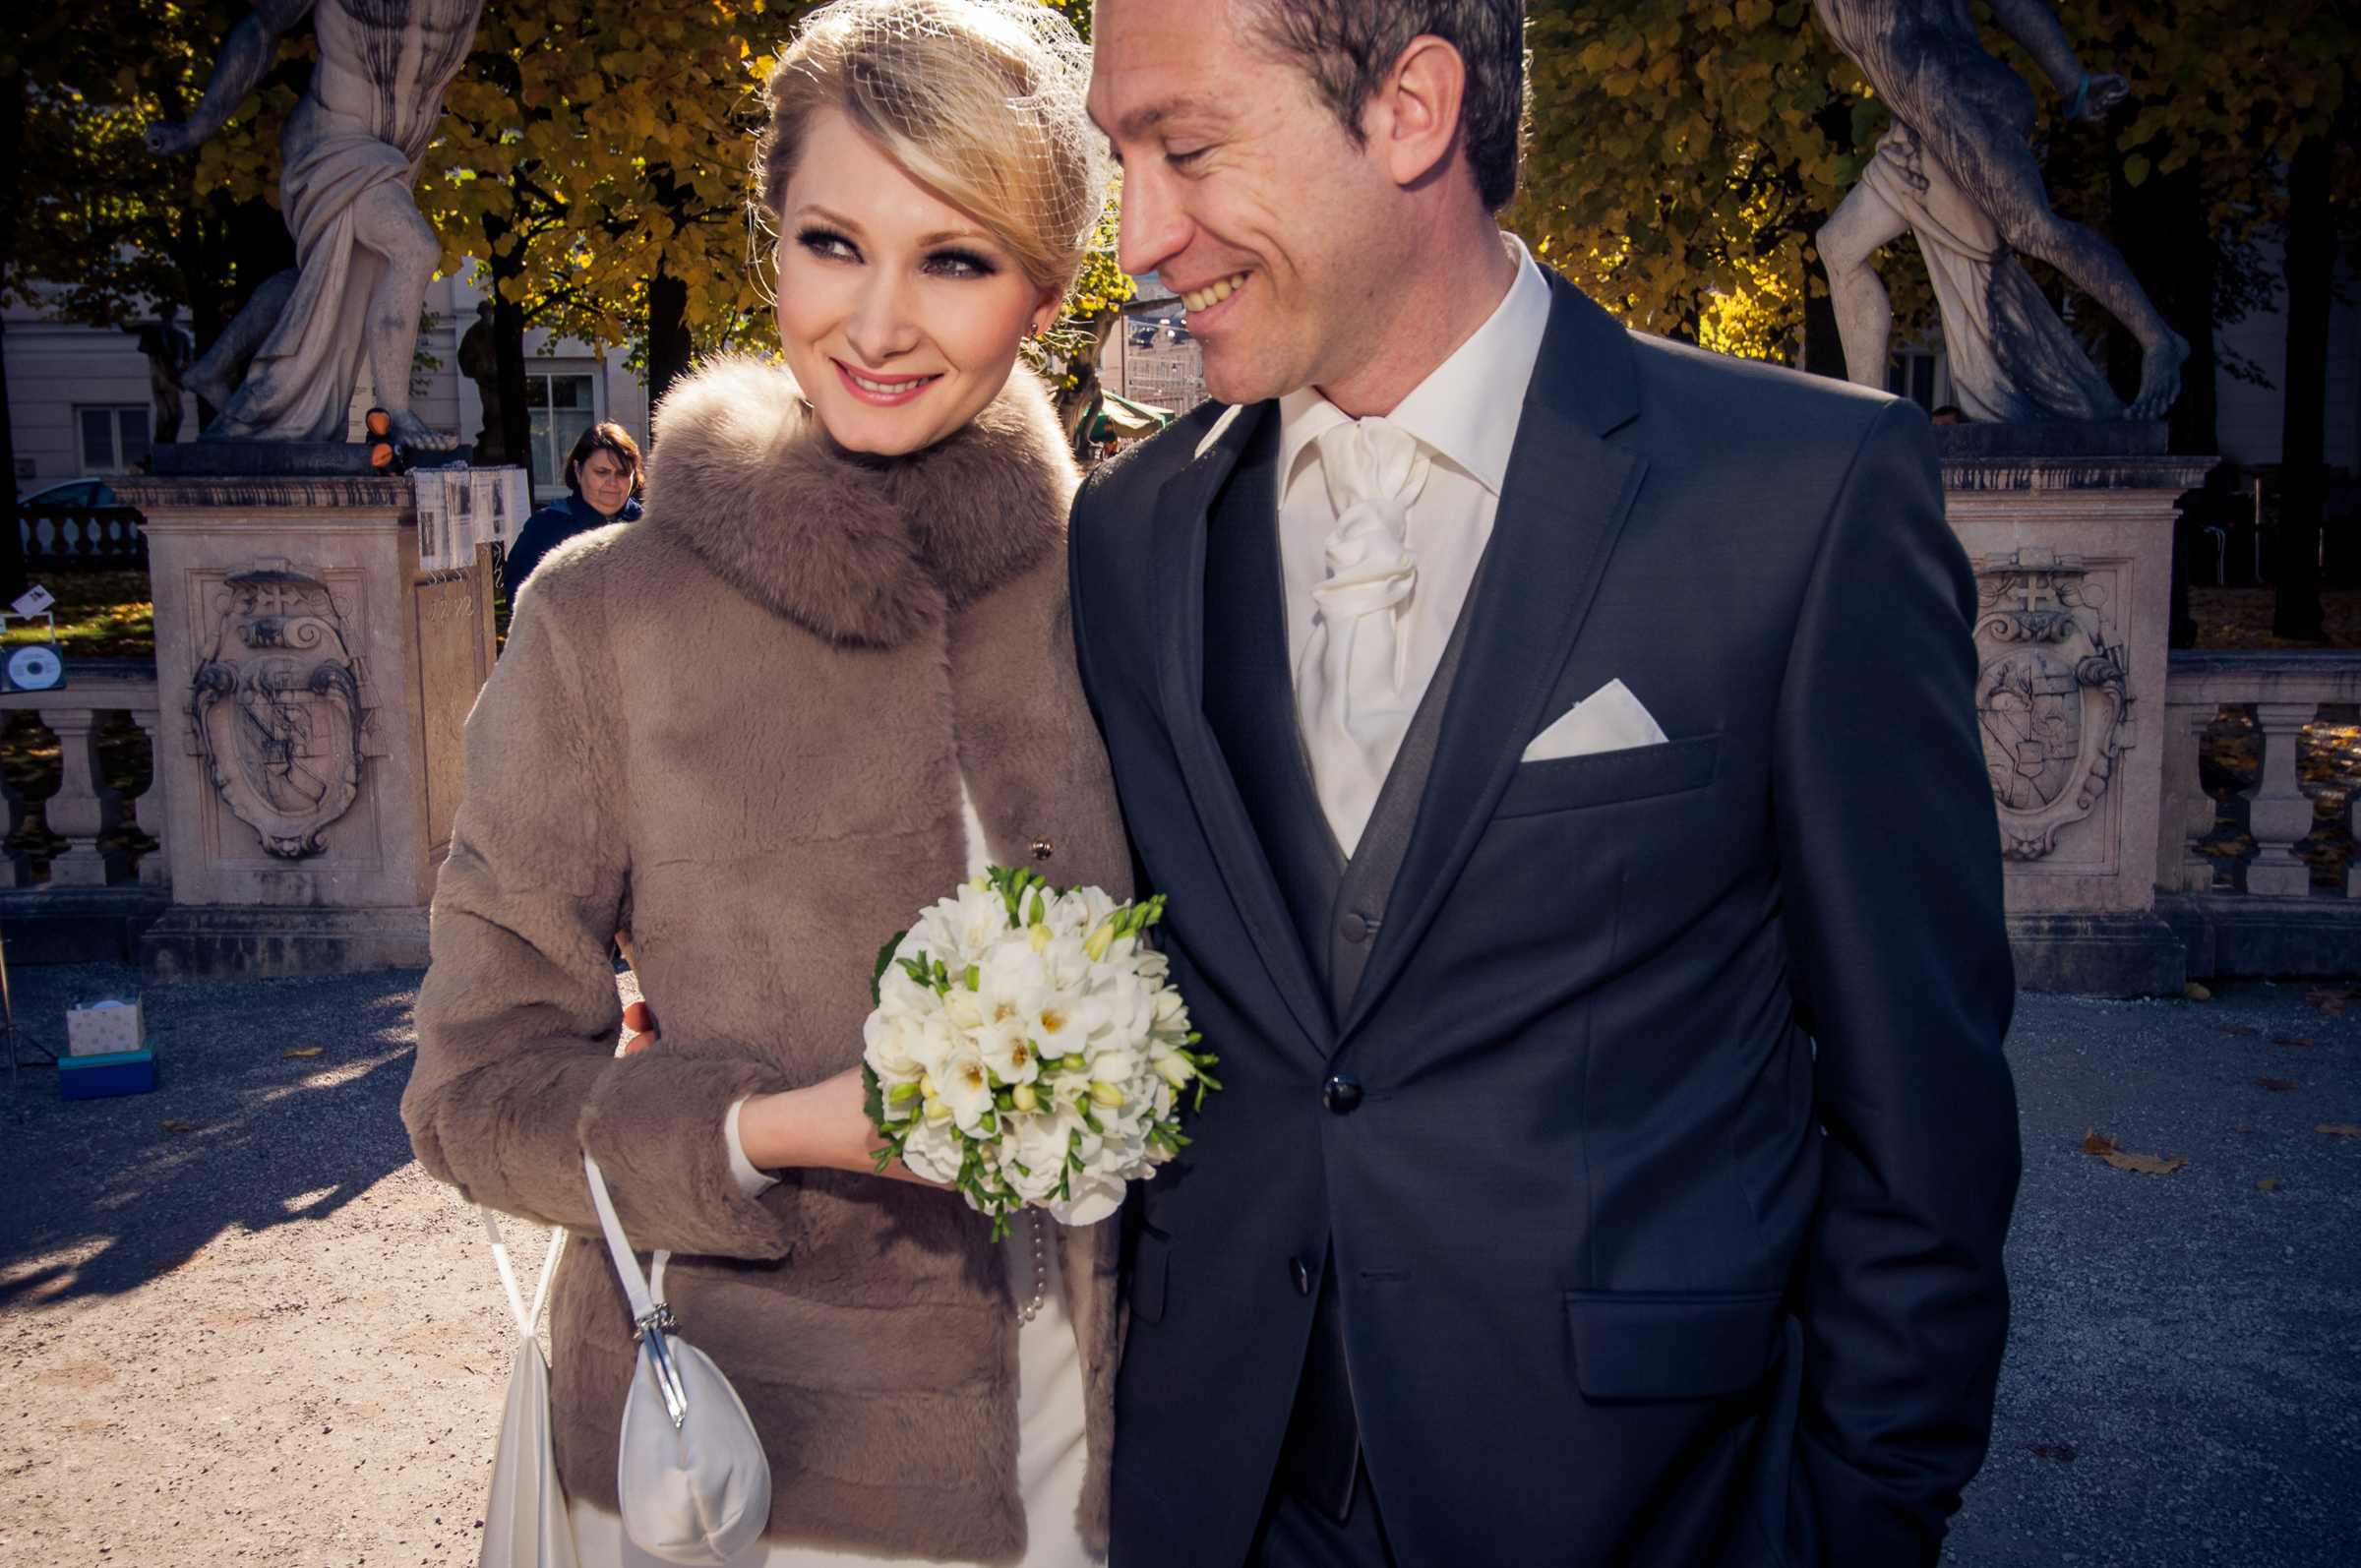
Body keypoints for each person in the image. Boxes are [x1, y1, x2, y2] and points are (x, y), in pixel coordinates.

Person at [1073, 3, 2020, 1566]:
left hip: (1650, 1506)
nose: (1138, 238)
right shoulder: (1128, 538)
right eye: (1122, 156)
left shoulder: (1803, 493)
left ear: (1412, 108)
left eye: (1183, 148)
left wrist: (1854, 1518)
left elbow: (1923, 1119)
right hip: (1213, 1497)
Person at [401, 3, 1131, 1564]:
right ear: (770, 243)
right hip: (751, 1468)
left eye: (955, 257)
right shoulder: (605, 615)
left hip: (1114, 1446)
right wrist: (780, 1128)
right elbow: (470, 1097)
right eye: (830, 241)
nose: (875, 323)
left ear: (1050, 297)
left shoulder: (1129, 592)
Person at [1809, 0, 2190, 422]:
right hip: (1920, 122)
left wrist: (2073, 85)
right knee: (1838, 247)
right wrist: (1909, 124)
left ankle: (2159, 340)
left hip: (1957, 95)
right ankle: (1872, 420)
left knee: (2033, 230)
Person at [144, 0, 477, 450]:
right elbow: (262, 24)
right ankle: (395, 412)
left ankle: (214, 366)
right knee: (414, 249)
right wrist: (197, 126)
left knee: (329, 283)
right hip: (331, 134)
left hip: (398, 153)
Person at [501, 423, 646, 606]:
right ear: (578, 471)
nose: (612, 482)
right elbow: (520, 602)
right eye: (602, 472)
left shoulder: (649, 528)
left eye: (622, 473)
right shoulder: (544, 527)